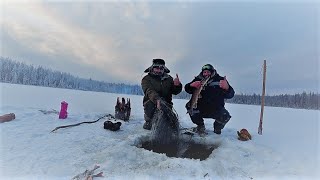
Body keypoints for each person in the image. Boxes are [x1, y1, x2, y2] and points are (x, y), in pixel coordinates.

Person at [185, 64, 235, 134]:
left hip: (215, 109)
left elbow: (231, 95)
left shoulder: (220, 80)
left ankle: (217, 129)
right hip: (201, 108)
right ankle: (200, 126)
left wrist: (227, 88)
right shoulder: (198, 80)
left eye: (208, 72)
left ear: (212, 72)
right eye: (204, 72)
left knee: (225, 115)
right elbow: (187, 89)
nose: (206, 74)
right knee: (190, 107)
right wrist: (190, 85)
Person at [141, 58, 182, 130]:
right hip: (152, 103)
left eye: (161, 68)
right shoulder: (146, 79)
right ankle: (149, 121)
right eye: (156, 68)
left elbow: (175, 91)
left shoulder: (169, 79)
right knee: (150, 124)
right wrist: (157, 100)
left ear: (164, 69)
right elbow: (148, 90)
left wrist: (177, 85)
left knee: (172, 124)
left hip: (167, 105)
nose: (159, 70)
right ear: (152, 68)